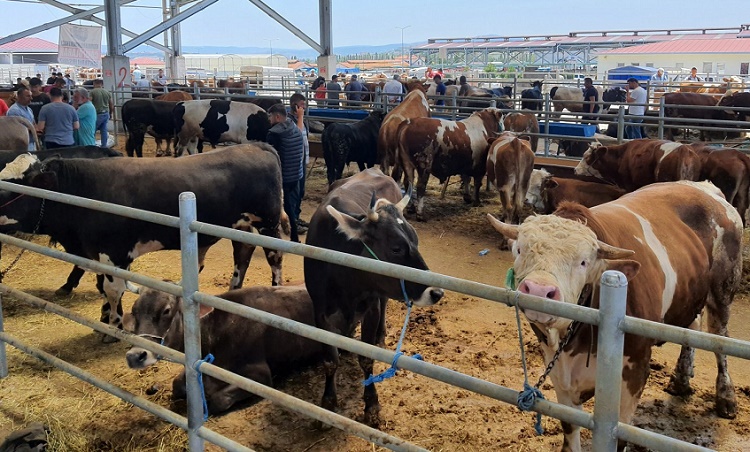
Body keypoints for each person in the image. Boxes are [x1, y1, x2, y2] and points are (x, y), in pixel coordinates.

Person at [266, 103, 305, 242]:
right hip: (297, 174)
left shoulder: (274, 134)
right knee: (291, 205)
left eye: (270, 116)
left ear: (277, 116)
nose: (269, 119)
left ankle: (293, 237)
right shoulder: (293, 126)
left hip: (284, 177)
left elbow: (269, 159)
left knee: (283, 206)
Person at [289, 92, 309, 232]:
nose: (304, 107)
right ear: (295, 106)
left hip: (302, 160)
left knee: (300, 191)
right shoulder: (289, 121)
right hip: (294, 162)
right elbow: (298, 134)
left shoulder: (300, 120)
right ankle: (292, 222)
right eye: (302, 105)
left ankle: (296, 216)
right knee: (294, 192)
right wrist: (300, 117)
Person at [6, 86, 37, 151]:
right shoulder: (14, 111)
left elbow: (33, 123)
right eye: (28, 96)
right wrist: (33, 130)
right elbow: (16, 131)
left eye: (31, 96)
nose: (31, 98)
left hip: (31, 142)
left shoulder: (29, 109)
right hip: (21, 146)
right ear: (19, 97)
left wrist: (36, 129)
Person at [90, 79, 114, 147]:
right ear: (102, 84)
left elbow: (89, 102)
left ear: (94, 84)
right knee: (104, 131)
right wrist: (110, 113)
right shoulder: (107, 92)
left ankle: (92, 145)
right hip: (105, 113)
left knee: (92, 130)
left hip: (97, 114)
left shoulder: (92, 92)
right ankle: (104, 146)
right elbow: (111, 105)